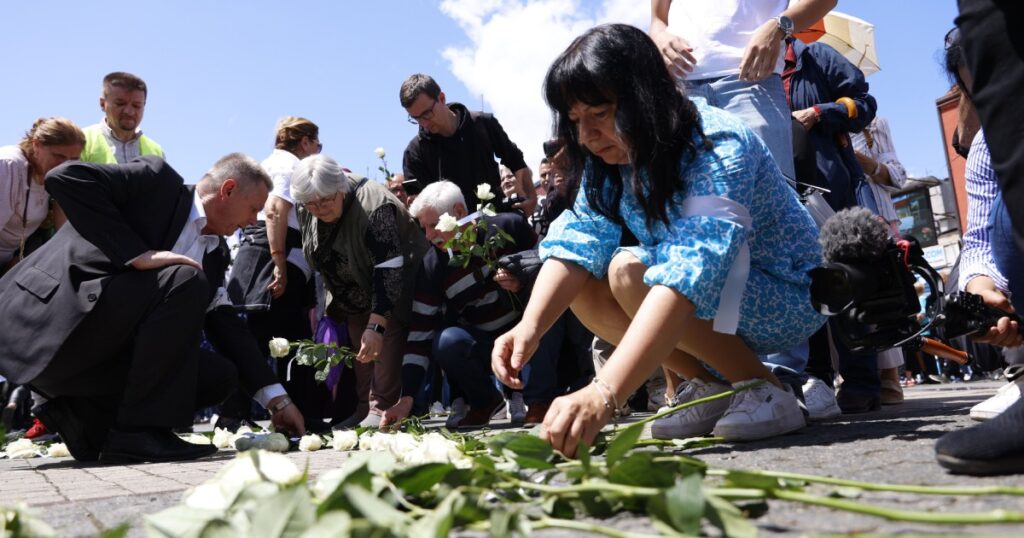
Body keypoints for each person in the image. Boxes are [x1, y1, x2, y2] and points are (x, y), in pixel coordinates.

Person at [492, 24, 825, 457]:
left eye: (598, 114)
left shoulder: (719, 142)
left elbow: (692, 267)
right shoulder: (608, 159)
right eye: (575, 121)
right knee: (594, 283)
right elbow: (575, 240)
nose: (586, 136)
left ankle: (763, 388)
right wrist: (529, 328)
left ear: (641, 96)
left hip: (783, 293)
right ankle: (709, 387)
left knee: (629, 271)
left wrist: (605, 392)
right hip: (713, 298)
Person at [0, 154, 305, 463]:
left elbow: (227, 327)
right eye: (254, 208)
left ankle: (88, 422)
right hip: (47, 327)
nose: (254, 221)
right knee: (186, 277)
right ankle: (139, 433)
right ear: (227, 189)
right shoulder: (156, 182)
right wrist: (137, 254)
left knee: (219, 375)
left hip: (93, 359)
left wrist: (277, 400)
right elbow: (65, 176)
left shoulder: (214, 255)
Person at [380, 181, 560, 429]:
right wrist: (407, 396)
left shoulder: (508, 227)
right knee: (446, 341)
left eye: (434, 225)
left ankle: (540, 400)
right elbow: (420, 333)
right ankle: (484, 401)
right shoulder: (432, 266)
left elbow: (551, 272)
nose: (429, 235)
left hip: (527, 333)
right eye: (424, 228)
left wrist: (523, 279)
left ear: (460, 212)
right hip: (484, 343)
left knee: (550, 312)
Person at [291, 155, 429, 429]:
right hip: (354, 291)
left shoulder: (375, 206)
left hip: (393, 286)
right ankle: (365, 408)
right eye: (311, 204)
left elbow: (389, 270)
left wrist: (377, 325)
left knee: (382, 339)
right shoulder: (307, 203)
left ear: (341, 187)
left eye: (326, 201)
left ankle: (382, 410)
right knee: (360, 349)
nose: (318, 209)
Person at [649, 0, 838, 181]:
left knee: (769, 202)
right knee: (682, 204)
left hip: (752, 83)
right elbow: (657, 21)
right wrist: (659, 36)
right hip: (680, 91)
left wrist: (778, 27)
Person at [224, 117, 324, 431]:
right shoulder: (288, 166)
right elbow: (274, 210)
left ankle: (295, 412)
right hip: (275, 260)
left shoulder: (271, 163)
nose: (318, 151)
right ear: (305, 142)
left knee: (282, 340)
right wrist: (279, 263)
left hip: (275, 260)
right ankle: (235, 414)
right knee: (276, 341)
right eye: (317, 144)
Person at [400, 73, 537, 215]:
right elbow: (419, 204)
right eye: (416, 118)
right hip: (454, 234)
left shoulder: (482, 123)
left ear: (441, 98)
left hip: (498, 220)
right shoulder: (414, 153)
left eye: (427, 114)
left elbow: (515, 159)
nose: (424, 123)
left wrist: (531, 197)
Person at [1, 118, 84, 274]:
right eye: (58, 156)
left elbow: (64, 234)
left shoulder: (59, 175)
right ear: (36, 145)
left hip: (13, 259)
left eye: (73, 159)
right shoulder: (8, 167)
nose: (65, 166)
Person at [80, 72, 164, 165]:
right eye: (120, 104)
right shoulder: (80, 141)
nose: (129, 111)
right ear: (103, 104)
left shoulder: (157, 152)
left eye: (136, 106)